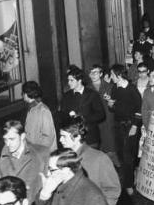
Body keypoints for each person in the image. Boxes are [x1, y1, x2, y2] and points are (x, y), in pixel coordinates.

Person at [35, 149, 111, 205]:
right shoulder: (55, 187)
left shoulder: (92, 194)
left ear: (66, 170)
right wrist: (44, 195)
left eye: (51, 170)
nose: (48, 173)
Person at [59, 117, 121, 205]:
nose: (60, 140)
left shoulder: (99, 158)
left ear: (77, 137)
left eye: (64, 136)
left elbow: (113, 190)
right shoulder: (62, 157)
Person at [107, 64, 142, 194]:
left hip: (130, 126)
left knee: (128, 156)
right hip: (118, 126)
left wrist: (134, 126)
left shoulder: (132, 89)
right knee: (121, 155)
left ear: (119, 75)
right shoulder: (114, 89)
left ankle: (128, 184)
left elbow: (139, 110)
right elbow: (114, 107)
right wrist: (111, 105)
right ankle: (129, 176)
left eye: (112, 75)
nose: (111, 77)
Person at [0, 120, 49, 203]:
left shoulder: (42, 154)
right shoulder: (2, 159)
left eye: (11, 139)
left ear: (22, 136)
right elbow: (0, 191)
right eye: (5, 140)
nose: (8, 144)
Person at [60, 67, 106, 148]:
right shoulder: (66, 96)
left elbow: (101, 114)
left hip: (90, 137)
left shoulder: (92, 94)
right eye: (68, 80)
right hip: (72, 139)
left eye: (71, 80)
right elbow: (62, 114)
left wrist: (82, 117)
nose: (69, 83)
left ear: (79, 80)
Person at [88, 65, 116, 158]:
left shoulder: (110, 87)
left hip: (108, 120)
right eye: (91, 72)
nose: (93, 75)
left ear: (101, 74)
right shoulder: (87, 89)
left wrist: (111, 101)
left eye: (95, 72)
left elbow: (116, 103)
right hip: (94, 122)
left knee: (110, 149)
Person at [22, 80, 57, 152]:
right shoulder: (31, 109)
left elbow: (48, 136)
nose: (22, 95)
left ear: (27, 94)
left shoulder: (43, 110)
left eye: (23, 93)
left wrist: (38, 152)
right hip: (33, 151)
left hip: (43, 153)